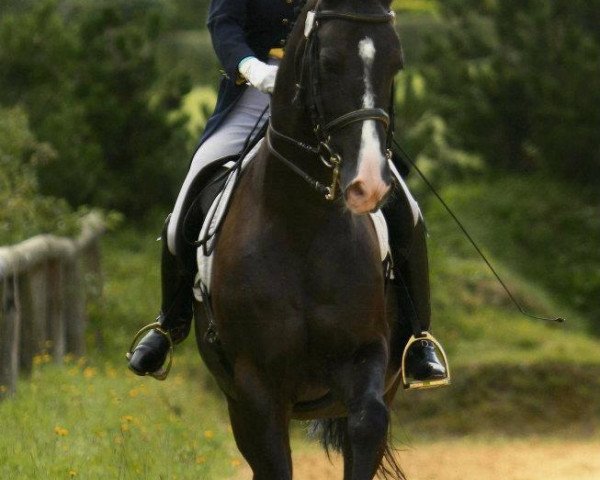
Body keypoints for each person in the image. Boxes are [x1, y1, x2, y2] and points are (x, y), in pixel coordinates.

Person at [127, 0, 446, 383]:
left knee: (406, 209)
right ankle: (169, 324)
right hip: (253, 96)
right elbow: (224, 23)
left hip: (326, 97)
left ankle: (418, 337)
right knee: (188, 202)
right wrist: (251, 69)